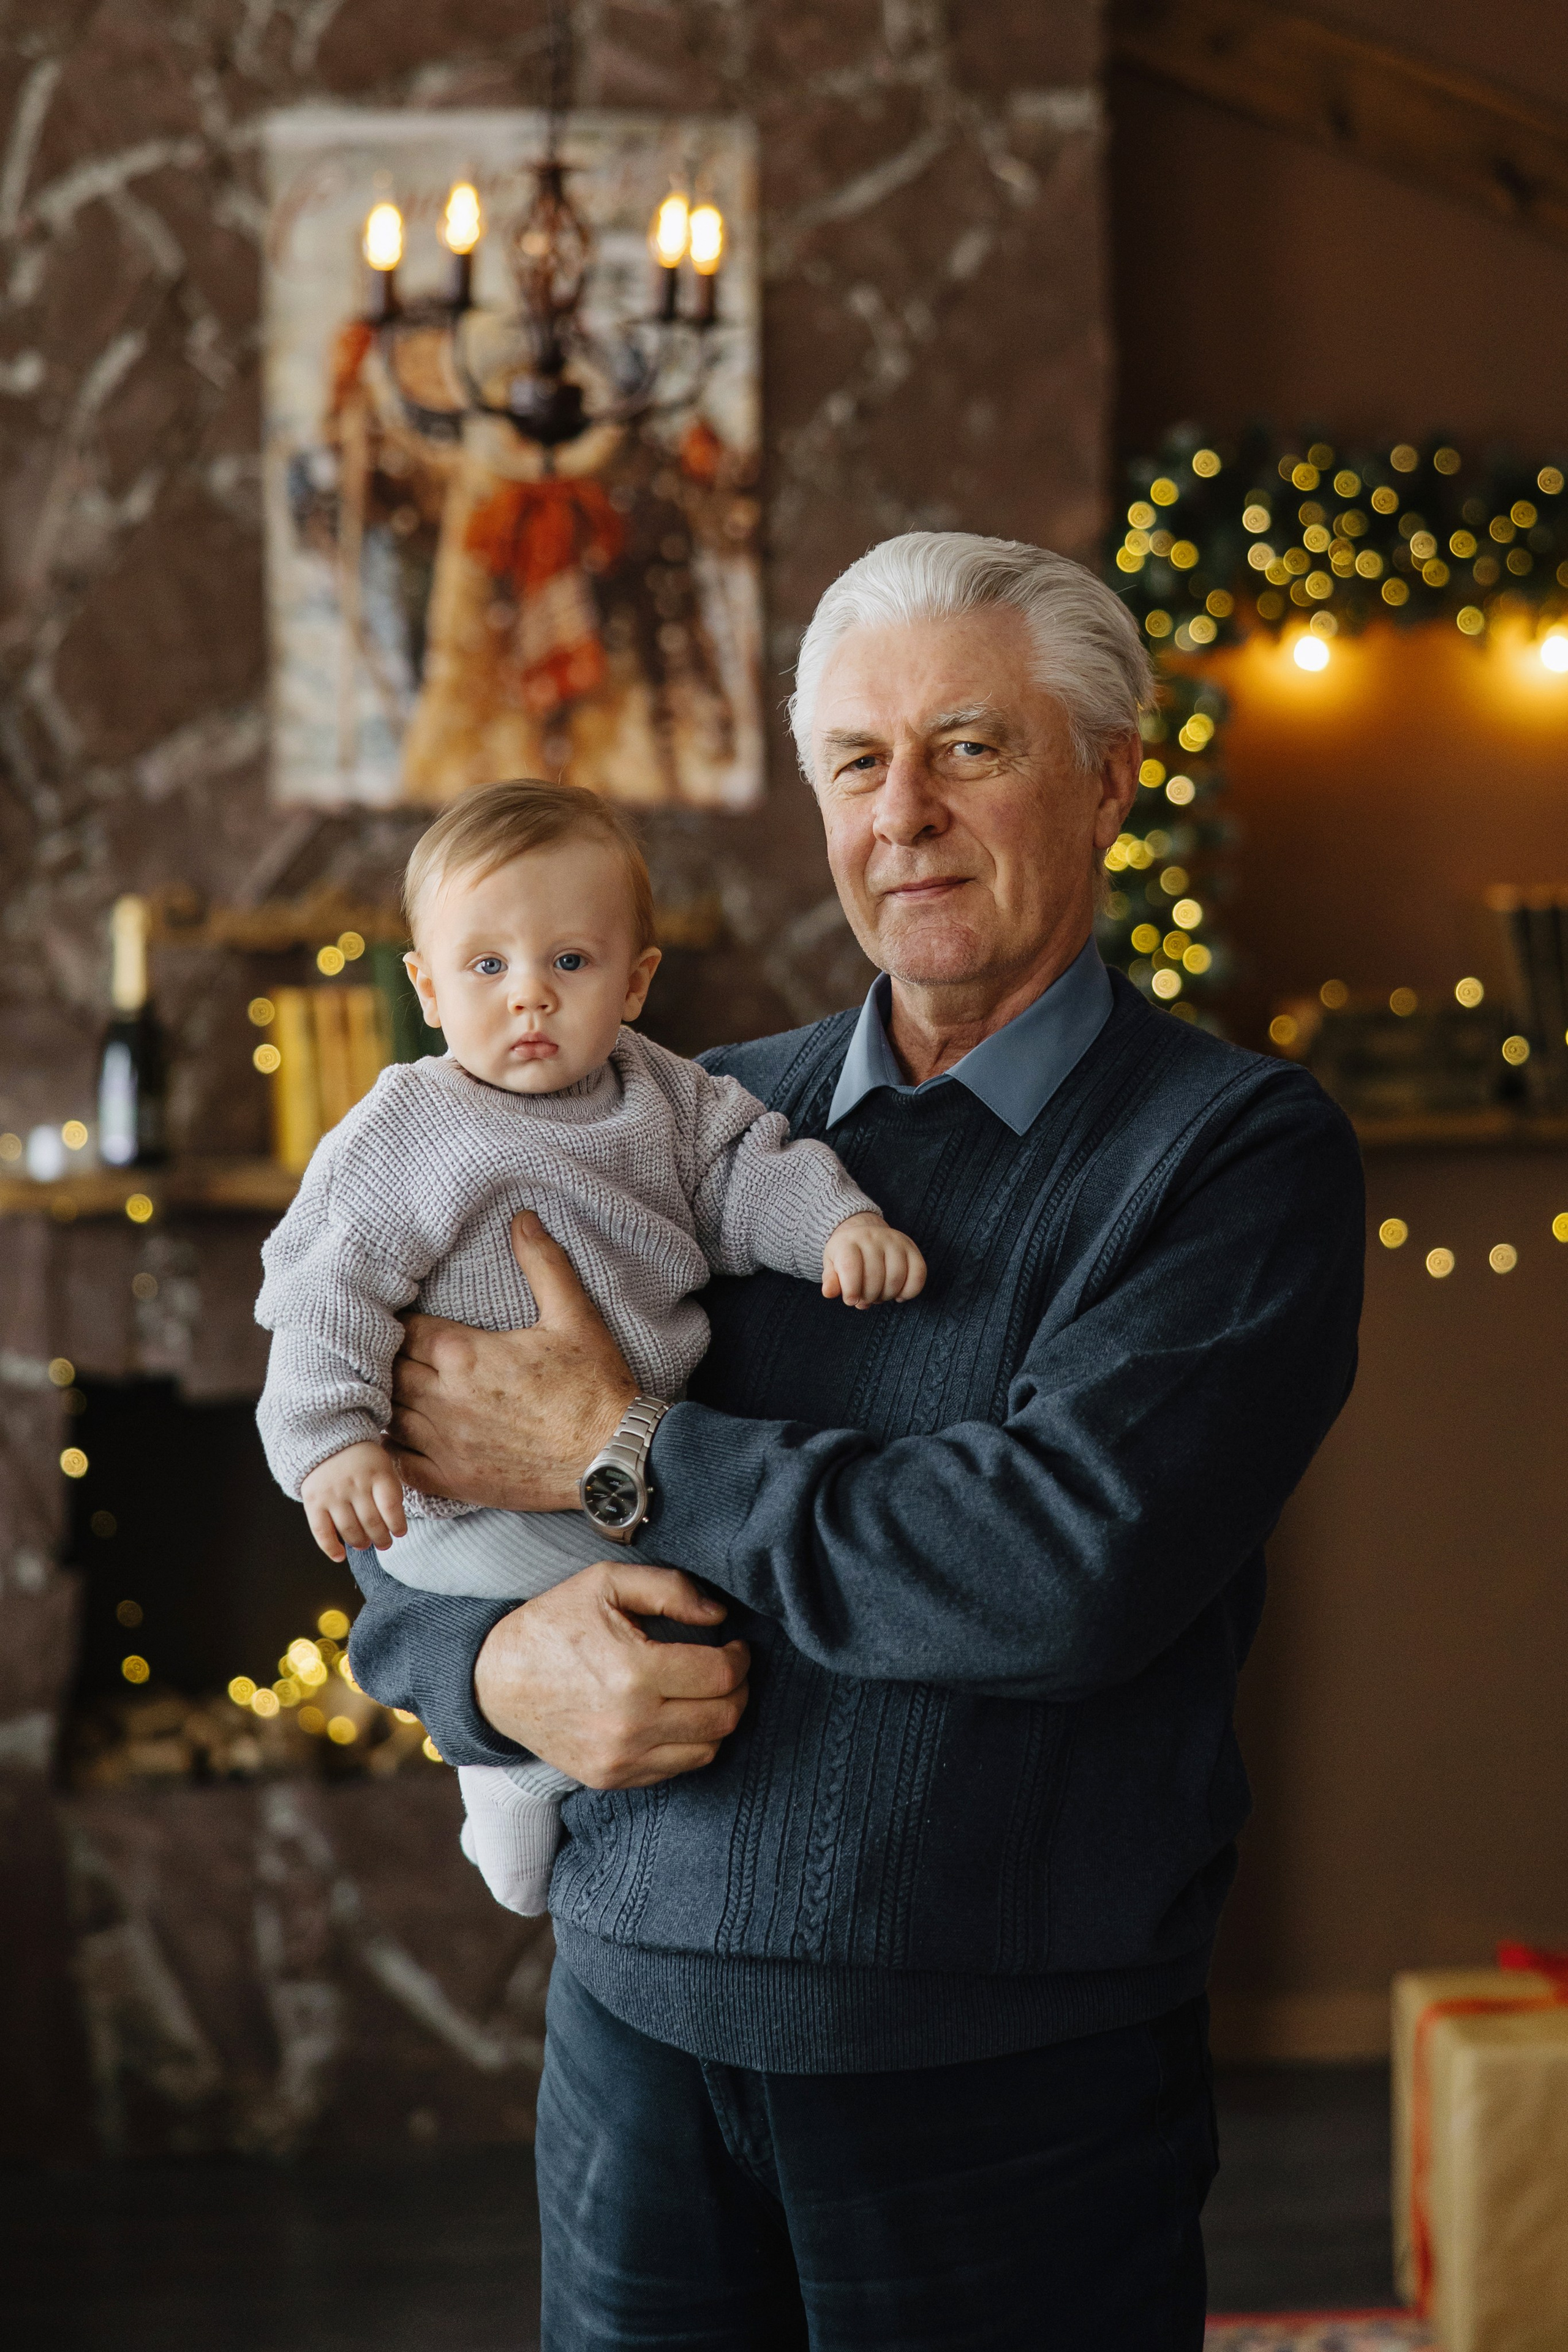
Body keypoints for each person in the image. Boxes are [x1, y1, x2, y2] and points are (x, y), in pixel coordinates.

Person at [346, 532, 1365, 2350]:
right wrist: (498, 1660)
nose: (906, 813)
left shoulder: (1231, 1156)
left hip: (1007, 2082)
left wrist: (626, 1457)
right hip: (631, 2037)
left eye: (971, 747)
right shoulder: (690, 1117)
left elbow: (1057, 1567)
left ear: (1111, 775)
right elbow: (410, 1467)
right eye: (857, 762)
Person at [254, 779, 924, 1917]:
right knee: (577, 1622)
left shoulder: (668, 1099)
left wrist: (839, 1226)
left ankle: (561, 1781)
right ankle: (510, 1776)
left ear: (636, 979)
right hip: (470, 1512)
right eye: (486, 968)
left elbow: (748, 1173)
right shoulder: (405, 1130)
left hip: (631, 1477)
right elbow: (325, 1292)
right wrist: (332, 1447)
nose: (529, 999)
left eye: (570, 963)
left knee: (682, 1622)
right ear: (424, 986)